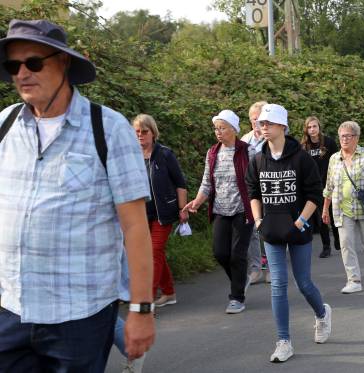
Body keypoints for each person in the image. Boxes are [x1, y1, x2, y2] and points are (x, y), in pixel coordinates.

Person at [0, 19, 154, 371]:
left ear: (64, 62)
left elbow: (135, 229)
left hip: (79, 317)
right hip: (11, 311)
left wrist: (140, 310)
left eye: (34, 62)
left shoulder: (109, 129)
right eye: (13, 65)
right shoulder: (5, 126)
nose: (22, 73)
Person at [245, 103, 332, 363]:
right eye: (261, 123)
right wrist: (259, 220)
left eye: (268, 123)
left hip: (298, 229)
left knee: (303, 282)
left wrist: (300, 221)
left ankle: (322, 313)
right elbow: (253, 192)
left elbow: (315, 193)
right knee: (278, 285)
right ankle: (283, 341)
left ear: (282, 126)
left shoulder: (301, 158)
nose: (263, 127)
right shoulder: (258, 159)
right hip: (271, 230)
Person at [183, 110, 253, 314]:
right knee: (220, 253)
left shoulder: (247, 152)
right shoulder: (212, 153)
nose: (218, 132)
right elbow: (207, 183)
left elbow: (255, 182)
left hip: (243, 210)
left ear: (234, 129)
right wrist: (196, 202)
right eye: (216, 128)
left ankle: (237, 297)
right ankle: (241, 279)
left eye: (222, 128)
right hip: (221, 209)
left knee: (237, 255)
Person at [322, 121, 364, 294]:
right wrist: (325, 209)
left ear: (356, 138)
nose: (344, 139)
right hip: (342, 208)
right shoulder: (334, 159)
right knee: (345, 244)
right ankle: (354, 280)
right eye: (342, 136)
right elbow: (329, 186)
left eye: (348, 136)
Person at [132, 114, 188, 308]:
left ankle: (147, 299)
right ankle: (169, 292)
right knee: (157, 254)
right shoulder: (130, 155)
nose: (140, 135)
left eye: (144, 131)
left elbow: (180, 183)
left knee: (153, 252)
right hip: (139, 214)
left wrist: (182, 209)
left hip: (163, 214)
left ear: (153, 133)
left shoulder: (164, 154)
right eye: (137, 132)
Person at [301, 116, 340, 258]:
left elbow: (338, 161)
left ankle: (337, 238)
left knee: (333, 214)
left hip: (330, 184)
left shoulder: (328, 142)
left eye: (314, 126)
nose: (312, 130)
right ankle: (326, 246)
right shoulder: (304, 146)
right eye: (309, 127)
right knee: (321, 217)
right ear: (306, 129)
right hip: (314, 187)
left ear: (319, 127)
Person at [241, 101, 268, 284]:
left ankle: (273, 268)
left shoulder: (273, 138)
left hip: (270, 189)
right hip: (252, 191)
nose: (254, 124)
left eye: (258, 120)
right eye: (252, 120)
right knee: (251, 230)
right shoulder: (245, 140)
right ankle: (255, 269)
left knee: (269, 230)